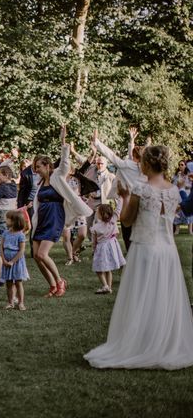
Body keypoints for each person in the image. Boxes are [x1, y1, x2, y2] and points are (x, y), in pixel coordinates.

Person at [84, 146, 193, 370]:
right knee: (163, 296)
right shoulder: (173, 190)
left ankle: (142, 344)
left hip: (144, 248)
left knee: (141, 296)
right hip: (168, 251)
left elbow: (126, 220)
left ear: (145, 164)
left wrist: (123, 196)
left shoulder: (140, 189)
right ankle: (163, 343)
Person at [31, 125, 92, 298]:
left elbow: (65, 162)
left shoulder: (58, 175)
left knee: (43, 253)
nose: (36, 170)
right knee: (36, 256)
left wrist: (63, 141)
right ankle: (52, 286)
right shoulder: (40, 184)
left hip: (55, 218)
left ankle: (60, 281)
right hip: (41, 219)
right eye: (35, 167)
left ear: (48, 165)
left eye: (39, 167)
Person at [90, 203, 126, 294]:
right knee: (108, 269)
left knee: (99, 269)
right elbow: (118, 210)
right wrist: (121, 198)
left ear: (100, 214)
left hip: (101, 248)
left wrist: (93, 250)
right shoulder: (112, 221)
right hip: (112, 246)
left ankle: (105, 286)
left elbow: (94, 242)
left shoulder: (95, 227)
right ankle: (109, 287)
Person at [0, 210, 29, 310]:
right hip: (6, 261)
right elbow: (1, 247)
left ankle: (21, 303)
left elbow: (21, 251)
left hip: (17, 262)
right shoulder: (5, 233)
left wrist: (12, 261)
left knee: (18, 282)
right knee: (8, 283)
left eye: (7, 218)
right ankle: (10, 302)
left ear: (14, 221)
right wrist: (3, 259)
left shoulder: (21, 235)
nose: (5, 220)